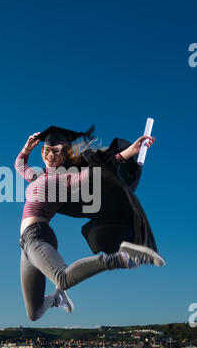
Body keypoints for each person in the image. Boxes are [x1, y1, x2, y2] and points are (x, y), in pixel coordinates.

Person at [15, 126, 165, 321]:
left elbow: (98, 172)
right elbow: (20, 166)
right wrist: (27, 148)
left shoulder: (65, 177)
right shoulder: (38, 175)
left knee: (62, 278)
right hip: (24, 244)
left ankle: (121, 258)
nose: (50, 155)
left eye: (56, 151)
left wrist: (131, 151)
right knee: (34, 312)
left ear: (65, 154)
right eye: (46, 151)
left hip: (38, 235)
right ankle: (56, 299)